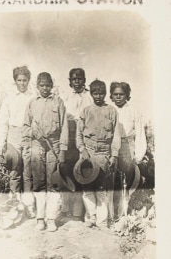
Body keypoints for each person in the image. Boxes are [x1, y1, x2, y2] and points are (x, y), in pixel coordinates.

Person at [22, 72, 68, 232]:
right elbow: (25, 126)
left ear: (52, 86)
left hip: (54, 145)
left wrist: (62, 149)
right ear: (37, 86)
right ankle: (40, 218)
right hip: (37, 145)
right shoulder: (32, 102)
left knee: (53, 183)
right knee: (39, 181)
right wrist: (35, 134)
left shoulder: (58, 102)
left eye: (48, 85)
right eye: (42, 85)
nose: (45, 88)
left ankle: (51, 219)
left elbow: (64, 128)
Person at [76, 79, 121, 228]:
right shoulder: (86, 111)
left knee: (102, 189)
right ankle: (91, 217)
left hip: (104, 154)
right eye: (95, 93)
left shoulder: (111, 111)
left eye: (101, 93)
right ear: (91, 93)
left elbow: (116, 135)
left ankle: (102, 221)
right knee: (88, 188)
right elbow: (79, 134)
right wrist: (82, 150)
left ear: (105, 94)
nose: (98, 96)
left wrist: (114, 155)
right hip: (87, 154)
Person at [0, 66, 35, 209]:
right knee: (15, 170)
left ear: (29, 81)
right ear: (15, 81)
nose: (22, 83)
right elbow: (3, 123)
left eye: (25, 80)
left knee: (28, 170)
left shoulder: (33, 98)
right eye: (19, 80)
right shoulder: (9, 100)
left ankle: (29, 205)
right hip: (13, 135)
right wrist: (1, 145)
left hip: (29, 135)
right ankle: (15, 204)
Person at [110, 81, 147, 219]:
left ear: (127, 95)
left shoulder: (134, 112)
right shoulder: (109, 110)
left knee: (125, 179)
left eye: (121, 94)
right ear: (111, 96)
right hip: (111, 146)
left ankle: (122, 212)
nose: (118, 97)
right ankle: (110, 212)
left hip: (127, 145)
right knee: (110, 179)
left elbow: (140, 133)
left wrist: (138, 155)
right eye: (115, 94)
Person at [60, 68, 93, 221]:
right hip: (70, 134)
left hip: (85, 134)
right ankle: (66, 208)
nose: (77, 81)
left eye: (80, 78)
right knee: (68, 169)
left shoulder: (90, 97)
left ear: (84, 80)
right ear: (70, 81)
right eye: (74, 79)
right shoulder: (66, 97)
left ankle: (81, 211)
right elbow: (62, 116)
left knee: (83, 170)